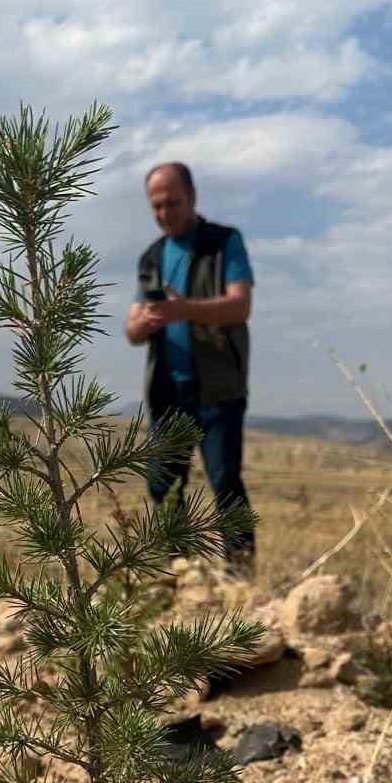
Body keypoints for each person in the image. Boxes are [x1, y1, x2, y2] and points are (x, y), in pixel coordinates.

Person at [124, 162, 255, 570]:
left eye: (172, 203)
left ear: (193, 197)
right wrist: (141, 324)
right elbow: (131, 329)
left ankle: (240, 573)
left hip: (218, 388)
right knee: (163, 485)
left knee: (225, 483)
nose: (164, 213)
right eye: (156, 206)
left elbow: (240, 305)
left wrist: (185, 309)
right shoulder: (151, 257)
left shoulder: (224, 242)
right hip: (167, 391)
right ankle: (177, 572)